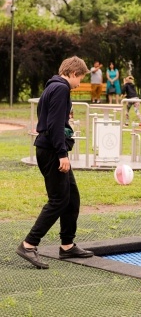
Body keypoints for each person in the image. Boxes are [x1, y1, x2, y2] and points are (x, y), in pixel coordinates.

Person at [16, 56, 93, 269]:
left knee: (72, 197)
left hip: (48, 148)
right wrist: (62, 154)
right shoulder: (61, 89)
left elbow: (51, 119)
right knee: (58, 200)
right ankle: (29, 244)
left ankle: (67, 246)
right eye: (80, 79)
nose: (79, 84)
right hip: (51, 151)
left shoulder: (53, 87)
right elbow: (54, 125)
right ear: (73, 73)